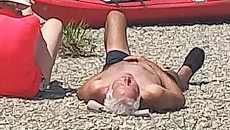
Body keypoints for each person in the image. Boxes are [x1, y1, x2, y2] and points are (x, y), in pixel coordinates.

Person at [76, 10, 204, 115]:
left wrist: (107, 71)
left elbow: (80, 92)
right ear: (139, 95)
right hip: (150, 71)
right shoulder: (152, 93)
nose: (126, 79)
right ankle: (185, 73)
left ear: (108, 90)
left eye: (121, 84)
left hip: (118, 62)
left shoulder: (97, 89)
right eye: (131, 85)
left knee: (115, 16)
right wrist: (150, 65)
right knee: (176, 78)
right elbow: (179, 99)